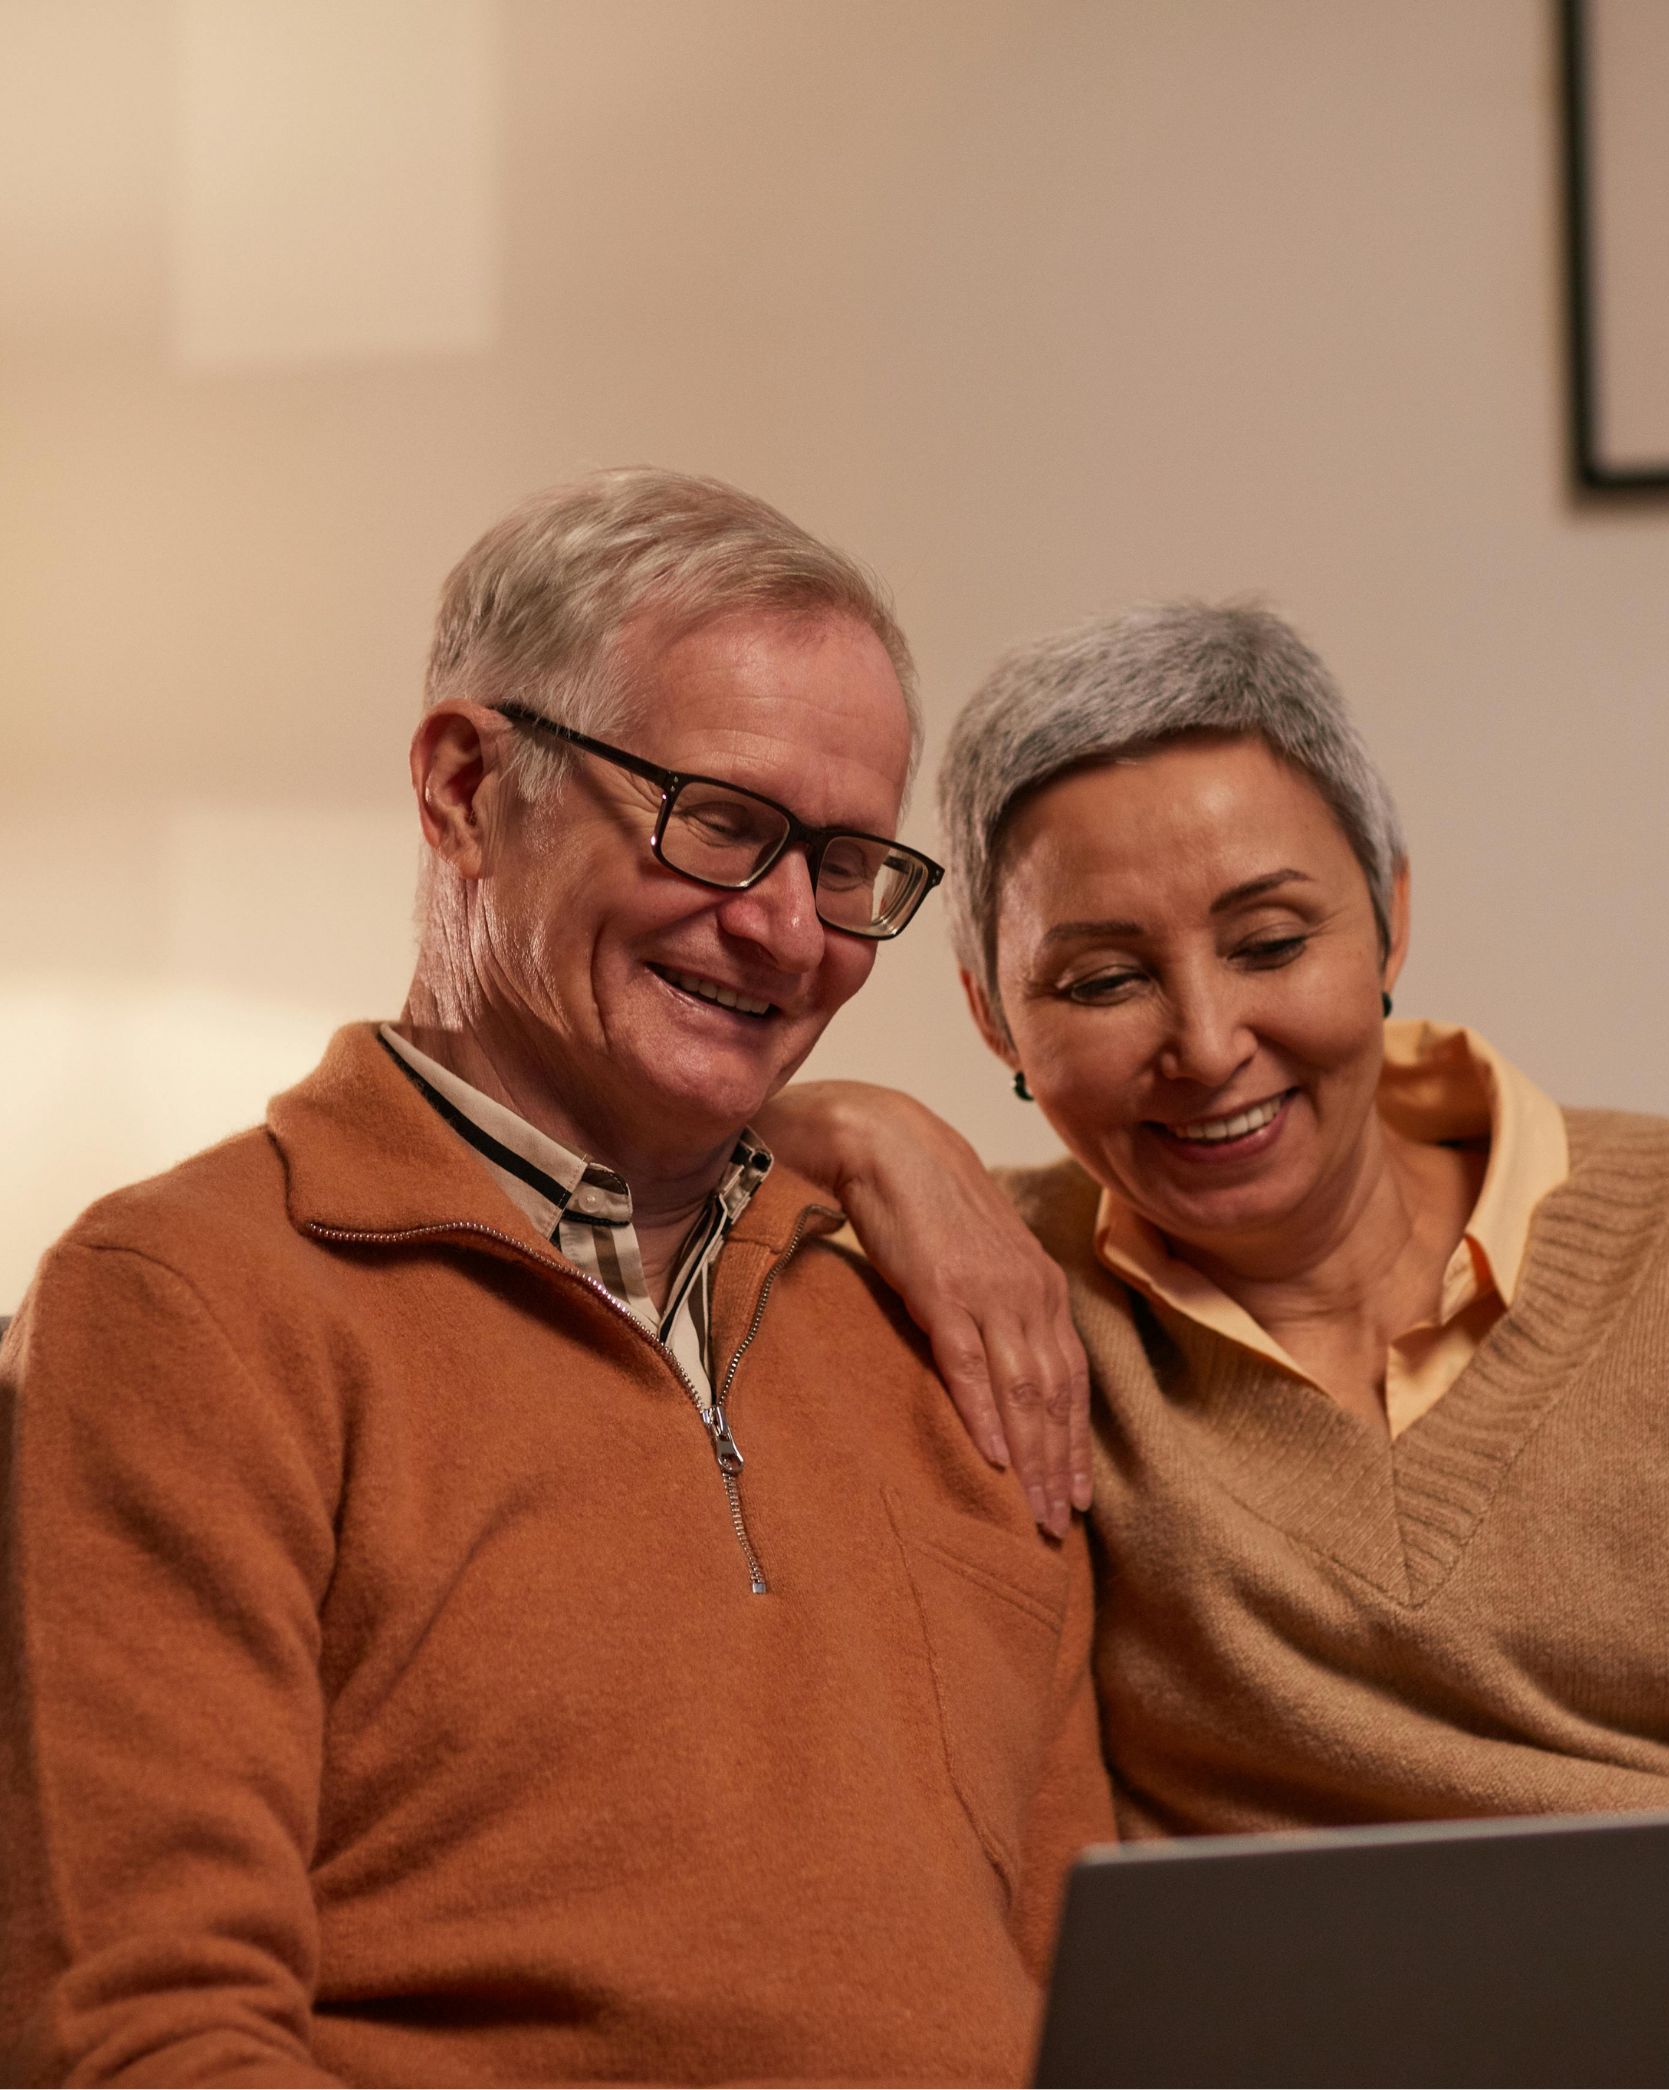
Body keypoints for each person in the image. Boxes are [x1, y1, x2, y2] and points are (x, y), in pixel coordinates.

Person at [0, 470, 1113, 2086]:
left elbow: (1099, 2010)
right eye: (723, 824)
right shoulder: (191, 1305)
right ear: (465, 789)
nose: (788, 932)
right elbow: (146, 2037)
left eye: (849, 861)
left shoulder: (950, 1317)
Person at [768, 597, 1669, 1832]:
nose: (1208, 1048)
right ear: (995, 1018)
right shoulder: (979, 1297)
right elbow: (582, 1191)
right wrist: (840, 1123)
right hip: (1257, 2022)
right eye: (1105, 980)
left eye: (1268, 943)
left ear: (1389, 921)